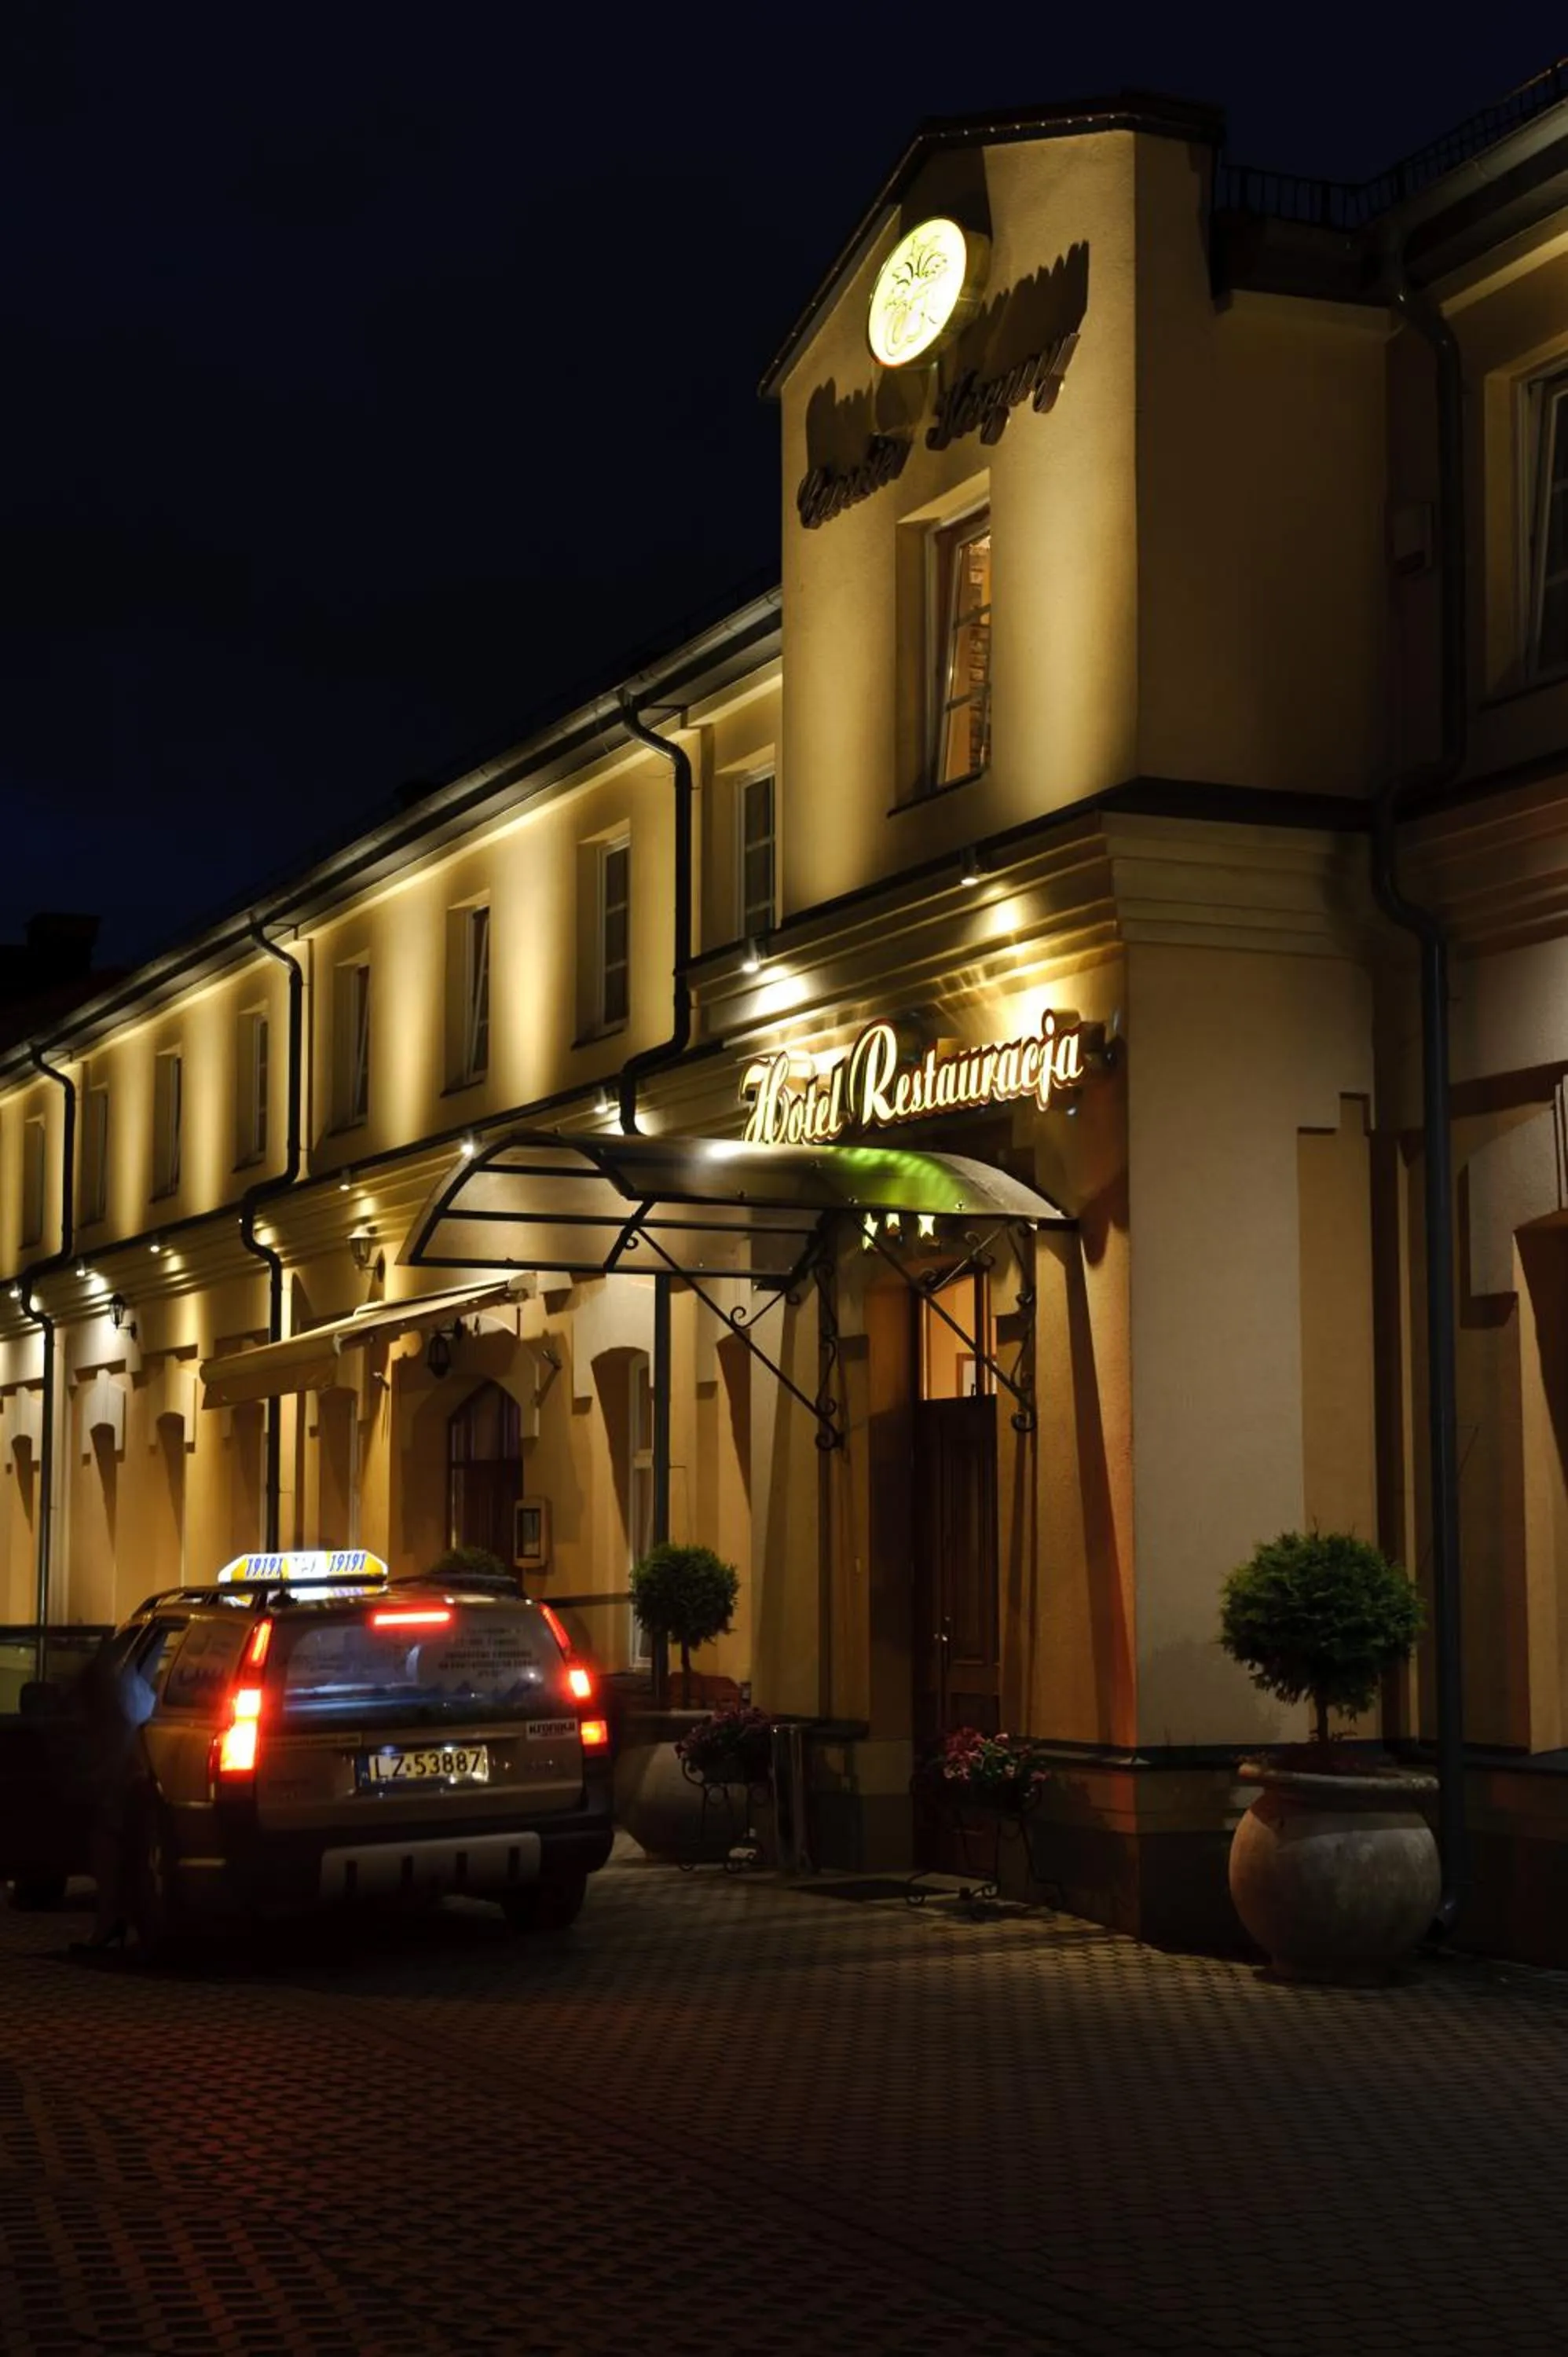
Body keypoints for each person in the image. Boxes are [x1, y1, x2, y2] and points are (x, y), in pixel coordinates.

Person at [69, 1638, 159, 1951]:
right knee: (131, 1862)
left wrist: (104, 1793)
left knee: (115, 1856)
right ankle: (134, 1929)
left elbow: (114, 1758)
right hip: (137, 1788)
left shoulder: (109, 1705)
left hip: (128, 1790)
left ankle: (115, 1925)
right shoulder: (127, 1693)